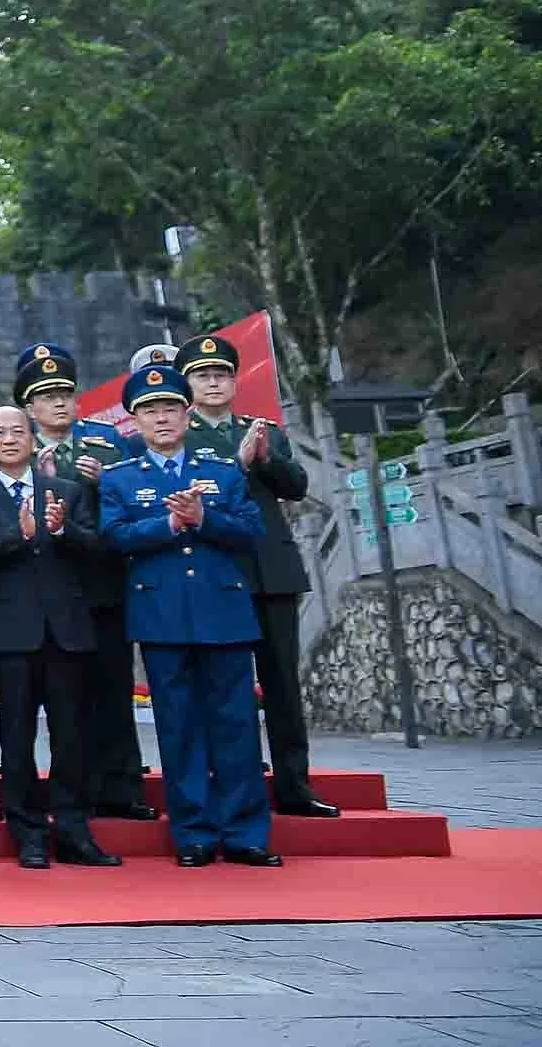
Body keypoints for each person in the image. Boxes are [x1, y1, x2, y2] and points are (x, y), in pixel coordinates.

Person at [101, 362, 279, 868]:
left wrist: (205, 519)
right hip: (161, 614)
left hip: (222, 610)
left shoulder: (221, 471)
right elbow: (114, 537)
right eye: (150, 411)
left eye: (171, 409)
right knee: (177, 726)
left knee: (237, 723)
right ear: (134, 420)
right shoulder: (120, 478)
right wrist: (168, 524)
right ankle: (194, 832)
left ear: (187, 414)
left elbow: (250, 531)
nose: (162, 419)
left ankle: (246, 832)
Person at [178, 328, 336, 817]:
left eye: (221, 375)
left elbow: (296, 486)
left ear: (235, 381)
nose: (213, 384)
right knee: (223, 685)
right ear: (189, 385)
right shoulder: (181, 435)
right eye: (203, 376)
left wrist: (266, 458)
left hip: (271, 569)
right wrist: (237, 462)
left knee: (283, 683)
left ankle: (295, 784)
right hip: (217, 568)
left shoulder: (263, 428)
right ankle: (234, 782)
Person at [0, 402, 117, 869]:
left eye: (17, 431)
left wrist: (62, 531)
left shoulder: (66, 490)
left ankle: (73, 829)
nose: (9, 439)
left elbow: (97, 550)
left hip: (65, 631)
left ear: (33, 437)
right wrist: (18, 536)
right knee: (17, 736)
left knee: (71, 737)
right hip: (10, 635)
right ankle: (26, 832)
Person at [20, 343, 155, 821]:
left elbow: (137, 501)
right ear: (29, 407)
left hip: (100, 583)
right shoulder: (19, 449)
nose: (58, 403)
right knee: (62, 700)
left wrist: (103, 484)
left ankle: (123, 786)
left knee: (114, 688)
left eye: (64, 393)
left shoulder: (107, 443)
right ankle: (72, 789)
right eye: (46, 395)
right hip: (44, 588)